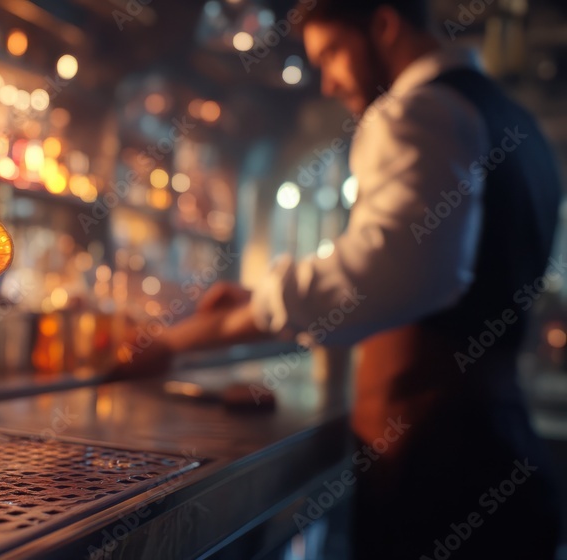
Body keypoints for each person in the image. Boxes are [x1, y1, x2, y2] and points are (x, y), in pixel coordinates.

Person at [116, 1, 563, 557]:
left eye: (331, 55)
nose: (327, 83)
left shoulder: (418, 111)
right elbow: (428, 271)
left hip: (445, 476)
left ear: (383, 24)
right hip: (490, 454)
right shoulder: (514, 121)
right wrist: (259, 299)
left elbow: (381, 276)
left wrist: (184, 339)